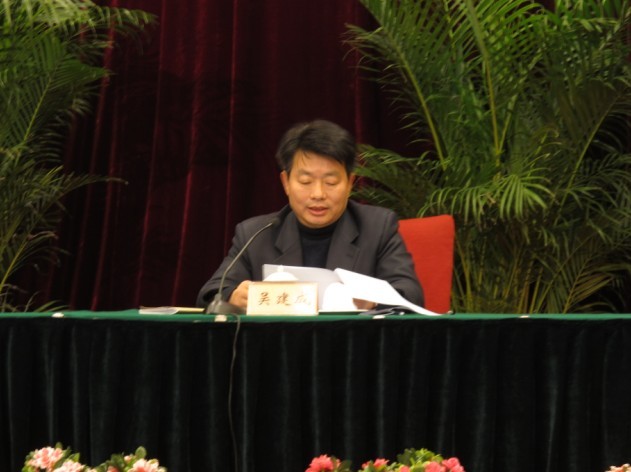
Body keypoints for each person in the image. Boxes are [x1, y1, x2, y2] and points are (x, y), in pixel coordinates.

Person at [196, 119, 424, 310]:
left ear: (350, 183)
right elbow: (211, 294)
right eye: (305, 181)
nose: (318, 194)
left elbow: (410, 294)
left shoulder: (378, 227)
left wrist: (373, 301)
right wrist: (233, 296)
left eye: (331, 182)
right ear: (286, 182)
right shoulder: (255, 234)